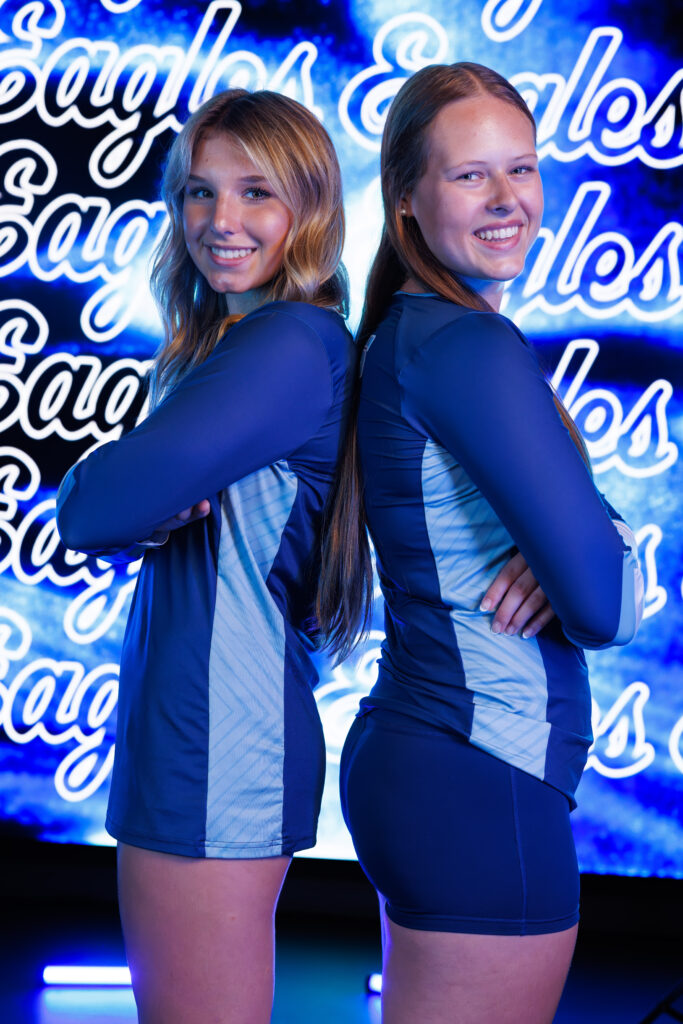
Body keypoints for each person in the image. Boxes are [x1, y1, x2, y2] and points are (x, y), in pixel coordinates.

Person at [320, 63, 644, 1024]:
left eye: (522, 168)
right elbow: (605, 609)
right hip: (477, 779)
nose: (507, 199)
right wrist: (594, 540)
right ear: (406, 200)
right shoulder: (465, 346)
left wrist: (570, 546)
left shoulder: (416, 334)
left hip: (431, 763)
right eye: (469, 175)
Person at [56, 88, 358, 1024]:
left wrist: (110, 488)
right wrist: (134, 496)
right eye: (198, 191)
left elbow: (92, 509)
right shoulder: (229, 343)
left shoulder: (290, 342)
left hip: (220, 740)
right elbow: (128, 507)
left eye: (255, 192)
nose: (219, 220)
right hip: (191, 729)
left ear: (309, 207)